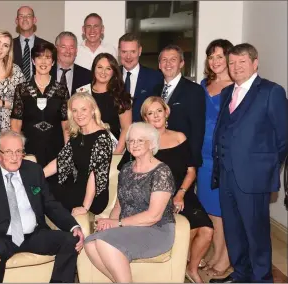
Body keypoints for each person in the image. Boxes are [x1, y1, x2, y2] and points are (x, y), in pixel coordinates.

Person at [210, 43, 288, 283]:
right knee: (234, 231)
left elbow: (283, 137)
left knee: (256, 233)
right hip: (226, 175)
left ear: (255, 63)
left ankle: (262, 278)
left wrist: (265, 168)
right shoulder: (226, 93)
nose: (236, 67)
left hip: (253, 177)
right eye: (232, 62)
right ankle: (241, 274)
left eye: (241, 62)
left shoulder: (271, 91)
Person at [0, 130, 84, 283]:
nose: (14, 157)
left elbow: (50, 204)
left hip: (34, 234)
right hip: (1, 236)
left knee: (70, 240)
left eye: (19, 151)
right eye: (8, 152)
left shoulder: (34, 170)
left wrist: (73, 226)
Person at [84, 122, 176, 283]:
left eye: (140, 140)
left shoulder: (162, 171)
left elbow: (153, 216)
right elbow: (120, 204)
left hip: (156, 230)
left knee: (105, 243)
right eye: (131, 141)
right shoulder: (126, 169)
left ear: (151, 143)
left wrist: (117, 224)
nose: (134, 144)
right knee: (90, 243)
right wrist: (110, 222)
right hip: (128, 227)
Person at [142, 97, 213, 282]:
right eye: (150, 113)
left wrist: (180, 193)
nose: (155, 116)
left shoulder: (180, 137)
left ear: (167, 113)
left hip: (182, 193)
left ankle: (192, 268)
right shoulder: (141, 140)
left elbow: (191, 171)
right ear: (145, 118)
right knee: (184, 230)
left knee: (206, 230)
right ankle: (177, 268)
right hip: (155, 196)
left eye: (159, 111)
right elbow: (131, 173)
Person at [196, 39, 233, 277]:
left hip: (223, 155)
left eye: (220, 56)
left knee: (224, 212)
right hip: (203, 155)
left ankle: (225, 260)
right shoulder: (203, 84)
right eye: (211, 56)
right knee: (210, 212)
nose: (215, 61)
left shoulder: (236, 86)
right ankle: (218, 255)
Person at [44, 92, 113, 215]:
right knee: (39, 188)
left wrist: (85, 207)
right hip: (76, 187)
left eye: (83, 109)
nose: (79, 114)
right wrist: (37, 176)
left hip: (93, 196)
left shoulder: (102, 138)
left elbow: (95, 175)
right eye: (74, 110)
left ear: (93, 110)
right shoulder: (77, 135)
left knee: (44, 195)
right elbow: (61, 161)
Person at [10, 42, 69, 167]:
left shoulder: (61, 89)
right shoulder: (22, 89)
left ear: (53, 62)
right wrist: (18, 150)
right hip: (29, 150)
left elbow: (66, 125)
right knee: (32, 185)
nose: (43, 62)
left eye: (47, 58)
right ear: (33, 60)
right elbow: (16, 125)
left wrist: (68, 151)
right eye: (39, 57)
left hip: (56, 149)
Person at [155, 44, 206, 168]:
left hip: (182, 158)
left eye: (173, 60)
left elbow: (197, 130)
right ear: (159, 65)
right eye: (164, 60)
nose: (168, 64)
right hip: (156, 156)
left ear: (182, 63)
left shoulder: (194, 90)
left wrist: (192, 164)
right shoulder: (154, 90)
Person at [90, 53, 132, 154]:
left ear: (114, 72)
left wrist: (117, 153)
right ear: (94, 69)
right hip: (85, 149)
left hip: (112, 150)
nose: (103, 72)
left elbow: (126, 128)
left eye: (108, 68)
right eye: (99, 67)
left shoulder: (121, 96)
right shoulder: (82, 92)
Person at [118, 33, 163, 122]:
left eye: (133, 52)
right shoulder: (111, 75)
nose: (128, 56)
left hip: (145, 132)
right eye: (124, 52)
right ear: (119, 52)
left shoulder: (155, 77)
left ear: (140, 51)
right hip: (115, 134)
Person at [13, 6, 51, 81]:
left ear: (34, 20)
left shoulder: (46, 46)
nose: (25, 19)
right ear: (17, 21)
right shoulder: (9, 45)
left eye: (28, 16)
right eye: (21, 16)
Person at [52, 31, 92, 96]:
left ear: (76, 51)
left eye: (71, 48)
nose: (68, 51)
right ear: (56, 49)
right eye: (63, 47)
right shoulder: (45, 72)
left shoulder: (87, 76)